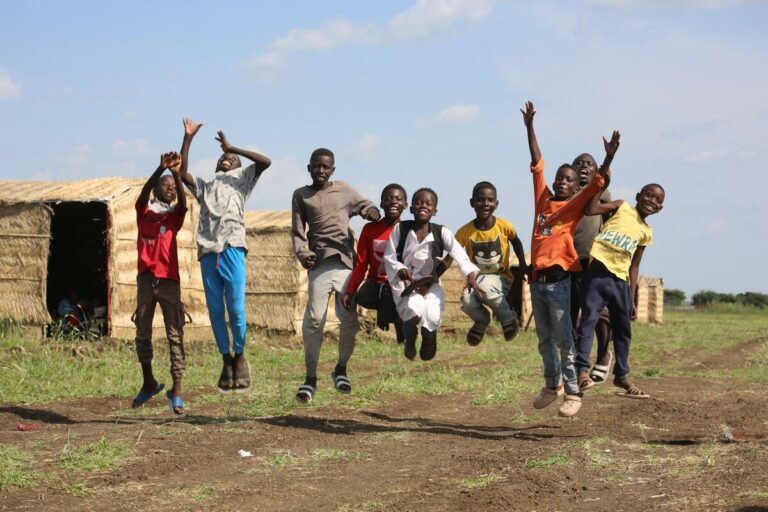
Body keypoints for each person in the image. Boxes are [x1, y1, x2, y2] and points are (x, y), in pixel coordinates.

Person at [521, 100, 617, 417]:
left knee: (564, 339)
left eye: (568, 179)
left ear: (576, 187)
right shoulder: (542, 200)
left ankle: (574, 391)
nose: (561, 181)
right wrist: (530, 127)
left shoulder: (574, 207)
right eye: (559, 178)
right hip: (537, 283)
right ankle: (553, 385)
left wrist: (609, 156)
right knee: (544, 340)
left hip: (561, 282)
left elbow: (599, 182)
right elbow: (537, 162)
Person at [179, 118, 272, 394]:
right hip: (208, 251)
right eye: (223, 157)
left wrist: (234, 147)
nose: (226, 159)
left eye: (231, 158)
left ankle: (240, 353)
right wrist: (188, 139)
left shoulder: (242, 182)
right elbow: (182, 173)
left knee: (236, 309)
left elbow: (265, 162)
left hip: (232, 248)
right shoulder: (206, 186)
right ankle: (226, 359)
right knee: (216, 312)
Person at [291, 148, 381, 404]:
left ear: (333, 170)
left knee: (349, 319)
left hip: (345, 265)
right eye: (316, 166)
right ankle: (310, 378)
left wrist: (371, 211)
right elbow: (297, 232)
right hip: (319, 265)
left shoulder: (343, 189)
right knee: (314, 319)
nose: (320, 170)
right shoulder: (301, 195)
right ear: (309, 168)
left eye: (325, 167)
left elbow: (365, 204)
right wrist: (303, 253)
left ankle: (341, 368)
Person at [575, 182, 665, 399]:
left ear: (660, 208)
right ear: (638, 195)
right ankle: (581, 371)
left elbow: (634, 266)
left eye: (658, 200)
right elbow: (590, 210)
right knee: (588, 321)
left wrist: (632, 296)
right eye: (649, 195)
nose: (652, 201)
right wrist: (601, 185)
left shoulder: (646, 232)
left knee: (624, 332)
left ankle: (621, 376)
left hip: (621, 283)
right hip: (597, 274)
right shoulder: (621, 207)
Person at [383, 187, 482, 361]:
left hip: (431, 284)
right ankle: (410, 339)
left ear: (434, 211)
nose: (423, 206)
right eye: (419, 203)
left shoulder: (441, 232)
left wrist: (471, 275)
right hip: (406, 284)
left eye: (429, 204)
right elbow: (389, 256)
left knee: (432, 314)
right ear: (411, 209)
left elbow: (460, 255)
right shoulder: (401, 229)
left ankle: (429, 339)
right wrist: (400, 269)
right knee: (413, 308)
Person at [131, 151, 187, 414]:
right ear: (156, 188)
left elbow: (184, 205)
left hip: (169, 281)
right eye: (166, 186)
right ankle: (149, 382)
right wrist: (160, 167)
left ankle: (176, 390)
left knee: (175, 334)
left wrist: (176, 173)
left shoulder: (173, 215)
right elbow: (143, 194)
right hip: (145, 280)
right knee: (142, 332)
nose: (171, 191)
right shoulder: (144, 210)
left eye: (174, 188)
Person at [452, 181, 529, 346]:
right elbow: (452, 254)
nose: (485, 204)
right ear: (472, 203)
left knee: (486, 286)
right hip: (476, 280)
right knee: (466, 300)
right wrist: (435, 272)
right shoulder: (465, 232)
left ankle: (509, 319)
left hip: (501, 278)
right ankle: (481, 321)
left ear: (496, 204)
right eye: (480, 200)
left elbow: (517, 242)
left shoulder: (504, 226)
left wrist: (522, 265)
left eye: (490, 200)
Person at [341, 184, 408, 342]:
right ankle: (387, 312)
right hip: (376, 284)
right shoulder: (370, 229)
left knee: (398, 298)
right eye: (388, 199)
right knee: (363, 297)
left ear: (405, 205)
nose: (393, 202)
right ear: (382, 203)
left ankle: (400, 330)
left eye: (398, 199)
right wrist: (350, 290)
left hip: (400, 284)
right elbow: (362, 263)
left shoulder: (408, 230)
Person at [571, 153, 614, 385]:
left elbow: (608, 225)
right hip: (568, 262)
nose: (584, 166)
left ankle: (605, 353)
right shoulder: (565, 192)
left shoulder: (602, 195)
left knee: (600, 314)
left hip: (592, 261)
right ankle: (580, 368)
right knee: (573, 317)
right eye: (579, 163)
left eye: (589, 164)